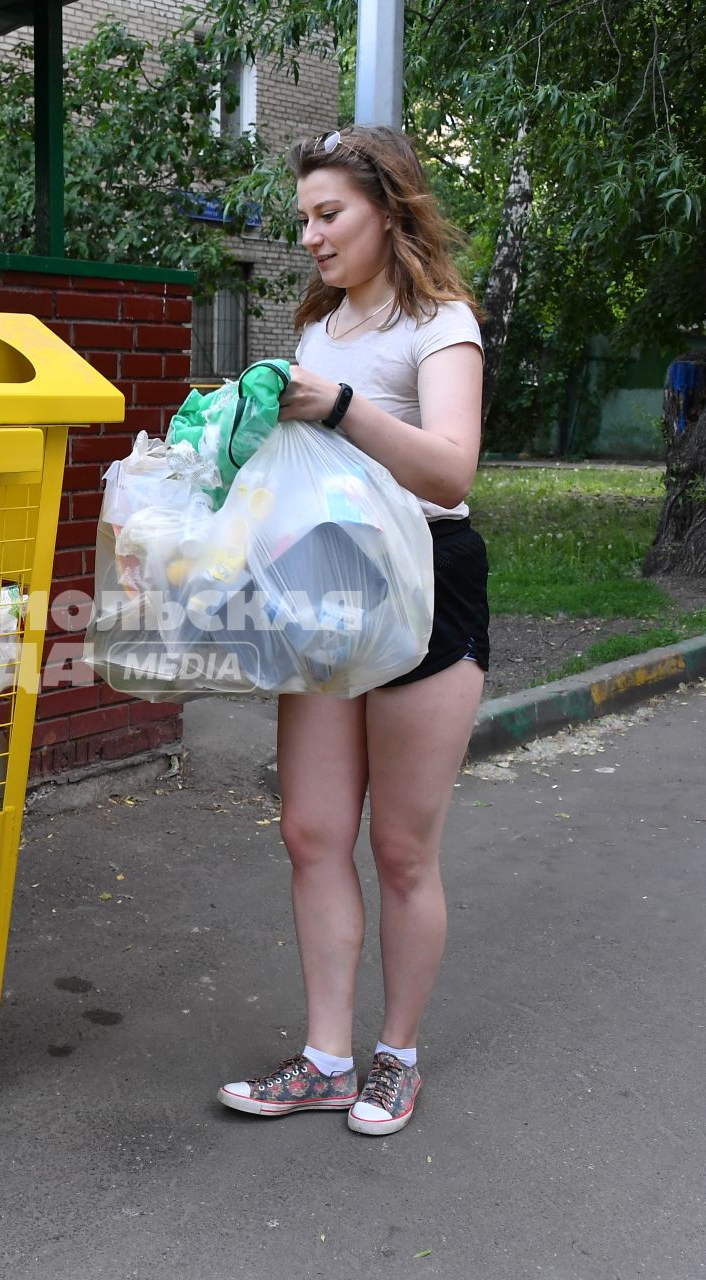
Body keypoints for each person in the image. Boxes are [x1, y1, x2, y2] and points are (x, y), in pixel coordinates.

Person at [217, 124, 488, 1137]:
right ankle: (328, 1056)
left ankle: (396, 1056)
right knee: (312, 831)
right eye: (306, 220)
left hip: (426, 585)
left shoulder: (441, 322)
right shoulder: (318, 328)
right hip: (326, 582)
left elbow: (452, 471)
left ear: (390, 208)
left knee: (401, 847)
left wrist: (336, 408)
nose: (314, 238)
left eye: (329, 215)